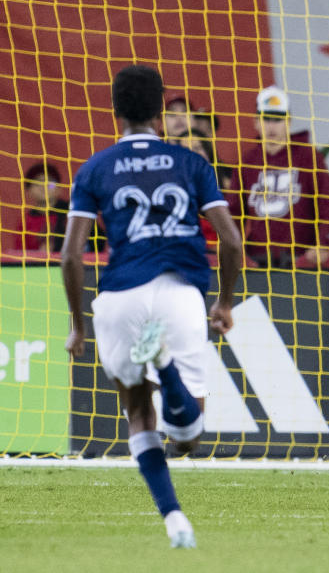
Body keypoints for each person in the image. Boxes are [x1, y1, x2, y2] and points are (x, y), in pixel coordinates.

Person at [60, 65, 243, 548]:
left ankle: (174, 520)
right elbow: (230, 239)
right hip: (180, 292)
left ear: (115, 110)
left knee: (138, 416)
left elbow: (71, 255)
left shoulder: (94, 168)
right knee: (187, 436)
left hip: (118, 296)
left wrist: (78, 326)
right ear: (161, 110)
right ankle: (165, 362)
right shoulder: (191, 164)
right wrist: (224, 302)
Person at [228, 86, 329, 269]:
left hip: (301, 260)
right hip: (256, 259)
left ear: (288, 122)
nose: (271, 126)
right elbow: (234, 212)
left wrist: (322, 245)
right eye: (266, 119)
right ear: (256, 122)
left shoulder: (308, 157)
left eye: (278, 119)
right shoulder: (247, 161)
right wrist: (234, 248)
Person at [16, 162, 70, 252]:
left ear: (59, 189)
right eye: (37, 183)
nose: (44, 187)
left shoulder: (72, 212)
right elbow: (20, 252)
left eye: (50, 184)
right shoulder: (26, 221)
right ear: (28, 191)